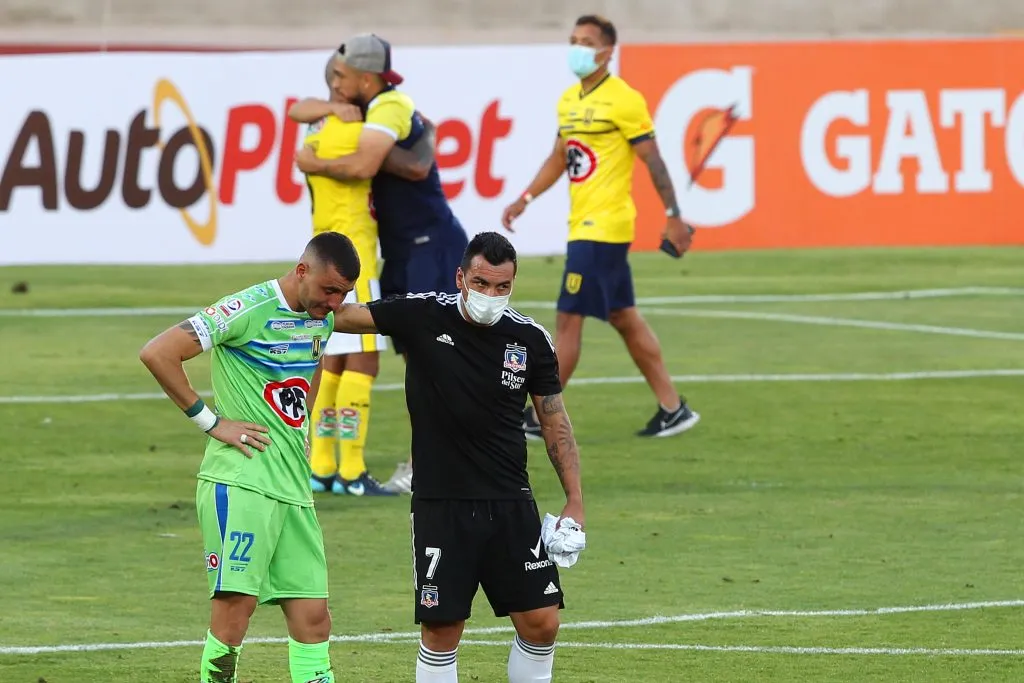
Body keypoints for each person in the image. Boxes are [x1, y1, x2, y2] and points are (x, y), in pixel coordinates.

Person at [330, 232, 585, 683]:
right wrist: (301, 294)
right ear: (461, 277)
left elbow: (555, 422)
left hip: (510, 501)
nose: (491, 296)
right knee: (443, 628)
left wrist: (575, 501)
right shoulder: (422, 314)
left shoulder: (530, 339)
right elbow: (345, 317)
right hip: (441, 503)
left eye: (502, 287)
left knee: (543, 622)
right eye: (482, 283)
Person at [138, 231, 362, 683]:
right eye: (329, 290)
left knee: (314, 618)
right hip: (241, 483)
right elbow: (158, 353)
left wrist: (300, 432)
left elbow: (309, 367)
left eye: (343, 295)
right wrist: (213, 423)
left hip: (293, 487)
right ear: (302, 271)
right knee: (234, 616)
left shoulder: (320, 316)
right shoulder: (248, 308)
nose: (335, 303)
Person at [502, 14, 701, 439]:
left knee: (568, 319)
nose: (577, 48)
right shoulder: (568, 100)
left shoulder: (624, 100)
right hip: (585, 226)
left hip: (602, 228)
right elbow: (561, 156)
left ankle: (538, 418)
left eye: (586, 42)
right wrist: (526, 197)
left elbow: (653, 158)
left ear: (608, 51)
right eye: (573, 40)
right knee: (623, 317)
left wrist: (672, 213)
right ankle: (673, 408)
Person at [295, 33, 470, 494]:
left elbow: (394, 164)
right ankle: (348, 471)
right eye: (334, 77)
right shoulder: (354, 122)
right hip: (374, 254)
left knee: (418, 354)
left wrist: (311, 159)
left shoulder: (354, 119)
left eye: (341, 74)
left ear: (362, 79)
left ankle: (340, 466)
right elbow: (388, 163)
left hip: (415, 247)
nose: (337, 81)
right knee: (369, 359)